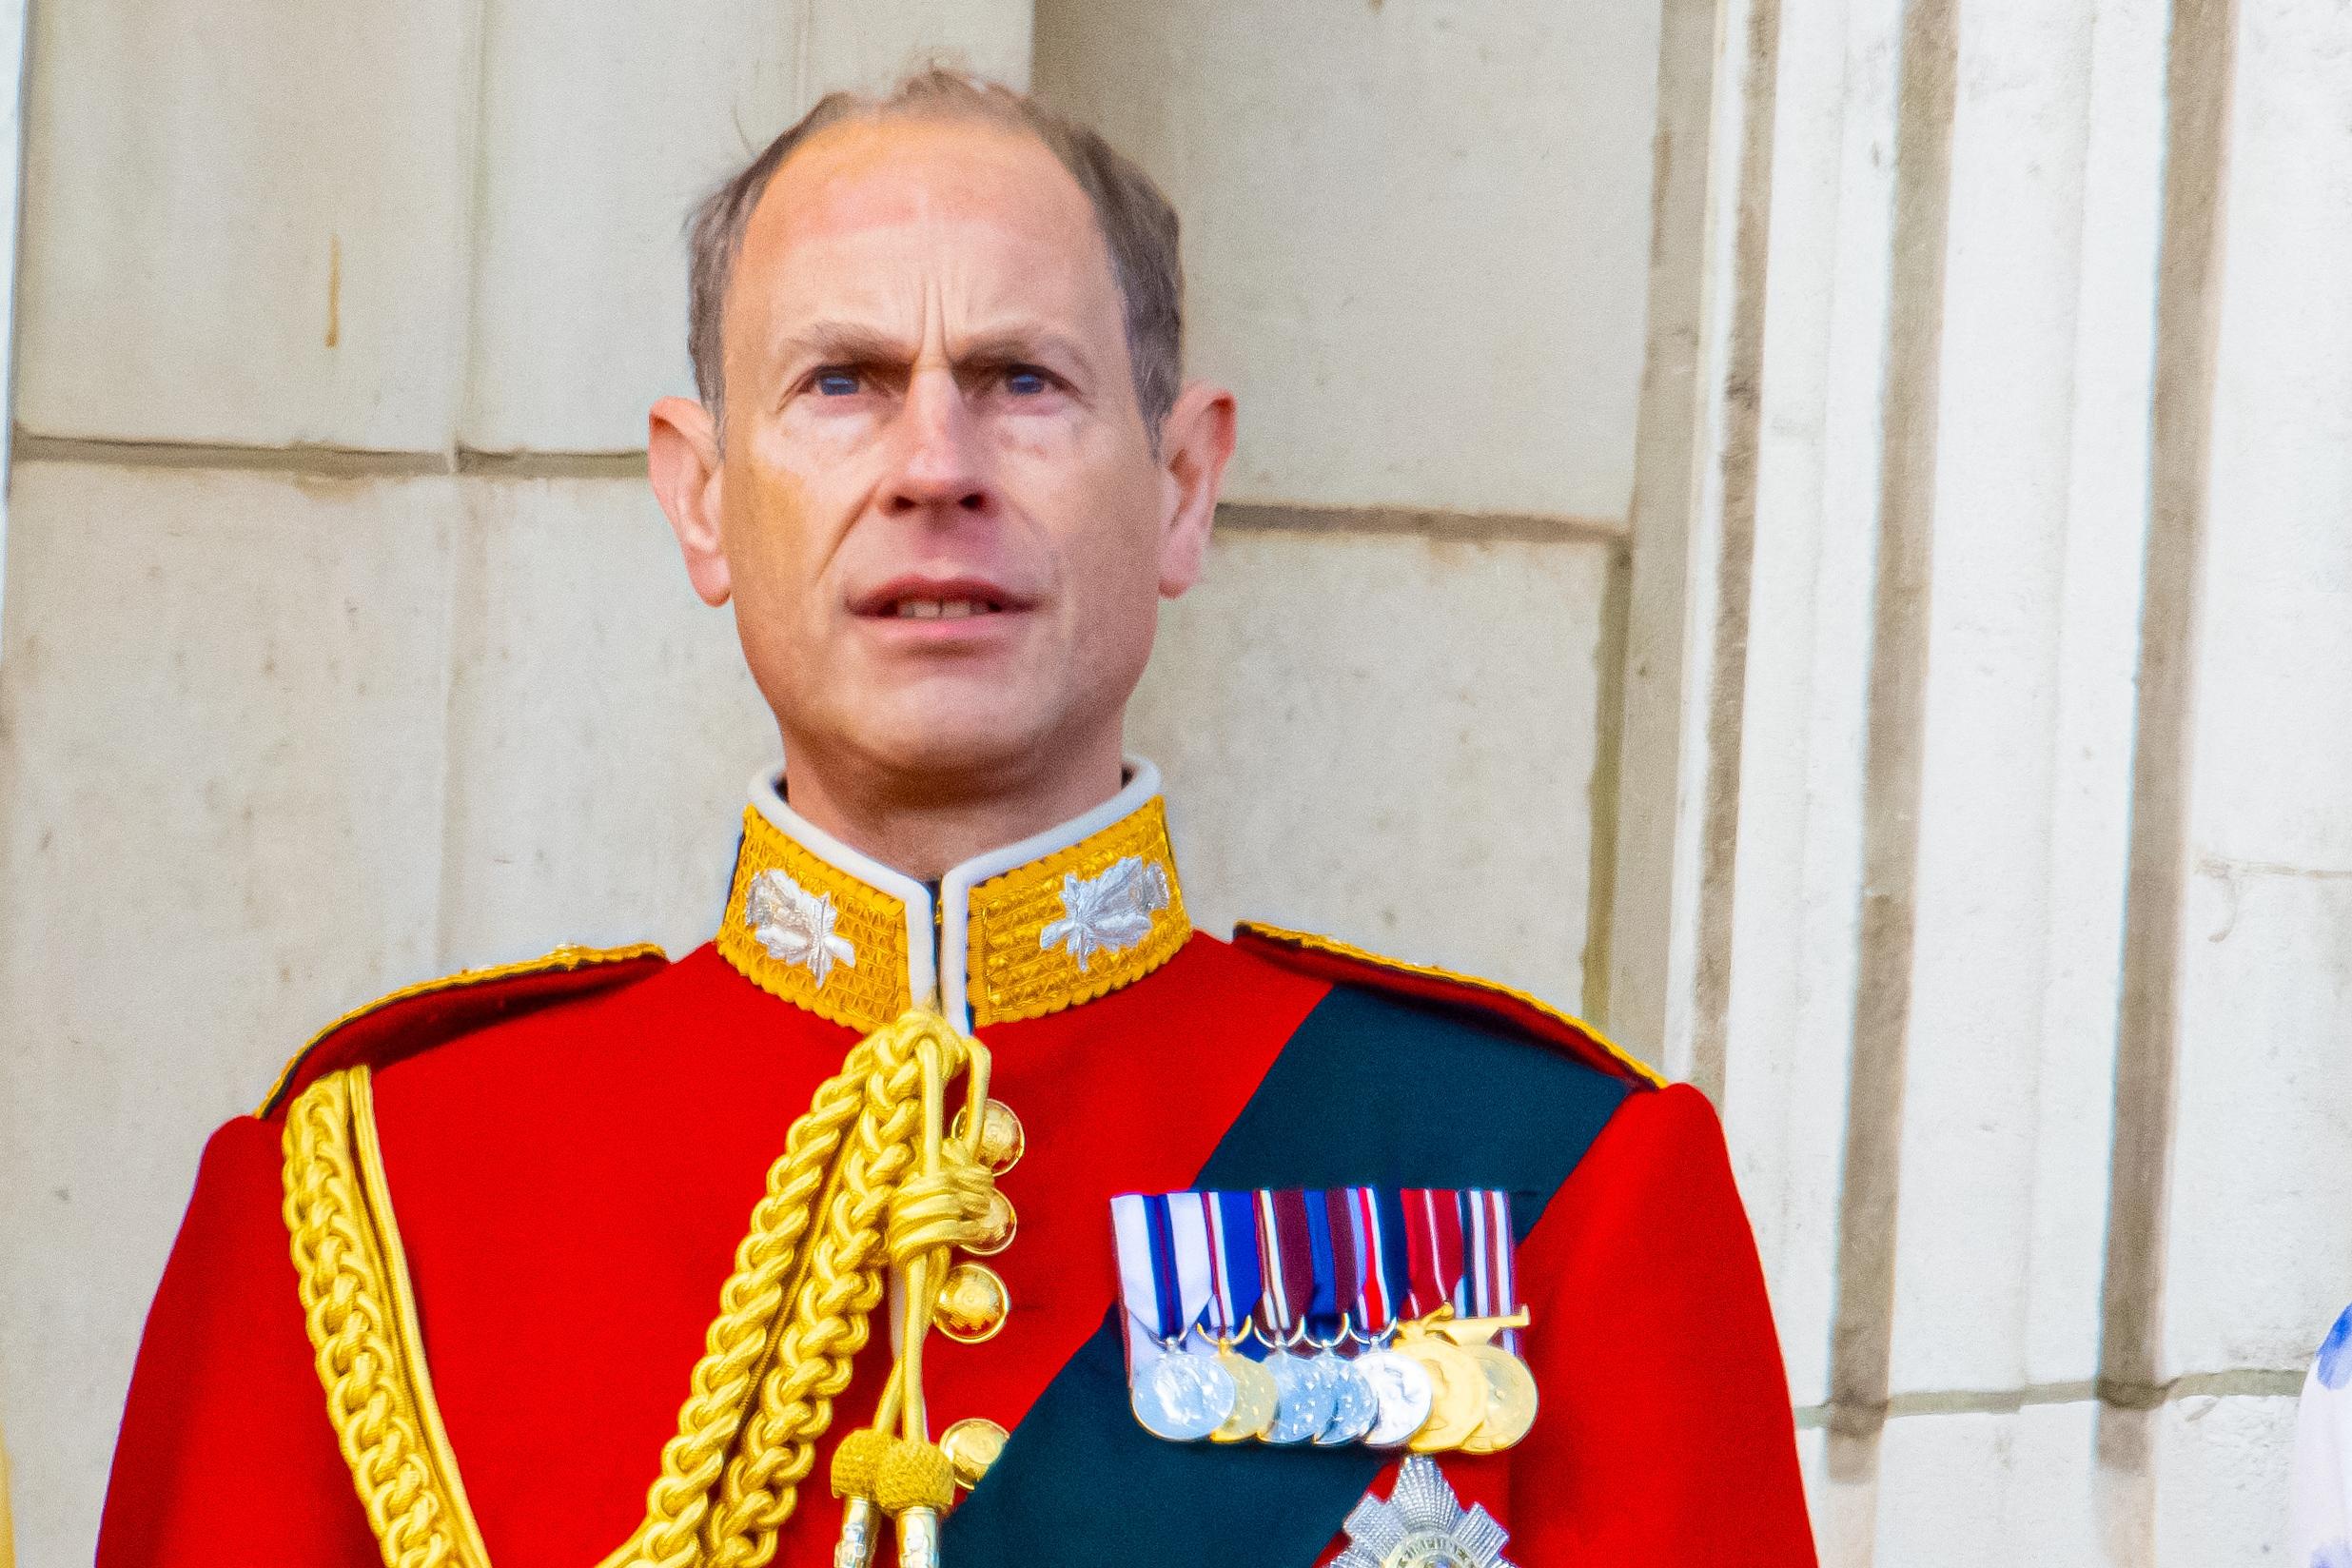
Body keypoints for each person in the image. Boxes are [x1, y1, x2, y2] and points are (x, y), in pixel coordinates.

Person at [94, 70, 1817, 1568]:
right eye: (840, 382)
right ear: (702, 499)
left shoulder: (1557, 1188)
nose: (936, 464)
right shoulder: (363, 1205)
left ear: (1184, 486)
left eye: (1023, 380)